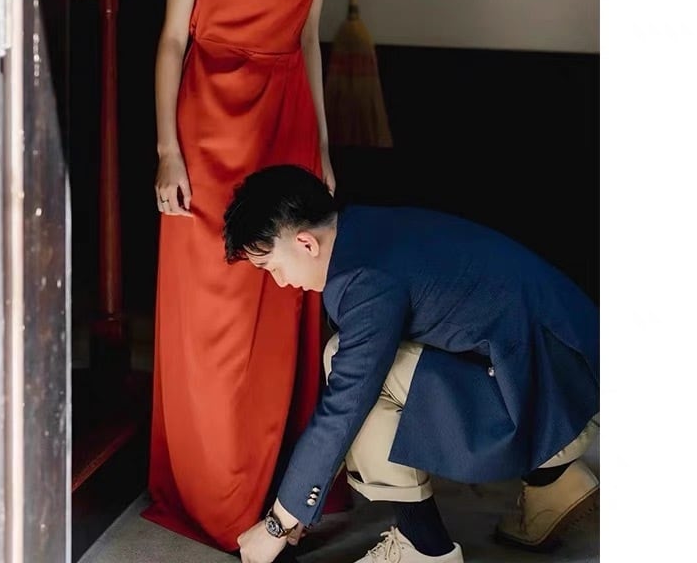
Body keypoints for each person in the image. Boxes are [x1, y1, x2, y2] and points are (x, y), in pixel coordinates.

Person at [143, 0, 347, 553]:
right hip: (207, 126)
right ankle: (213, 490)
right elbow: (172, 37)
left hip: (286, 122)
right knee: (212, 314)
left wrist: (321, 143)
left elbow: (307, 37)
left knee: (279, 307)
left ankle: (278, 492)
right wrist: (167, 149)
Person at [222, 165, 600, 563]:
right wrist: (302, 502)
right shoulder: (366, 227)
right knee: (365, 364)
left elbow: (345, 405)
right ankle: (552, 481)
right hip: (573, 375)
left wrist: (278, 523)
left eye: (273, 267)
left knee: (349, 367)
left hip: (553, 397)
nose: (281, 282)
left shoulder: (364, 279)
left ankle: (424, 547)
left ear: (305, 243)